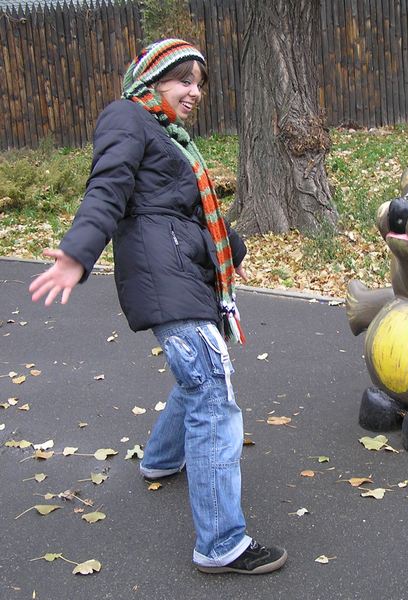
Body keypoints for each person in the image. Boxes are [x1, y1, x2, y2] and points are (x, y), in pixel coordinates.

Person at [29, 38, 287, 575]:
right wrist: (77, 253)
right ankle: (221, 544)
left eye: (199, 83)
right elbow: (107, 188)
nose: (194, 92)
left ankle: (161, 460)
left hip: (182, 272)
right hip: (164, 274)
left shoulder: (169, 135)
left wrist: (232, 251)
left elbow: (189, 210)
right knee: (211, 393)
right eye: (182, 80)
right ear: (151, 80)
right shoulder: (127, 117)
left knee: (199, 377)